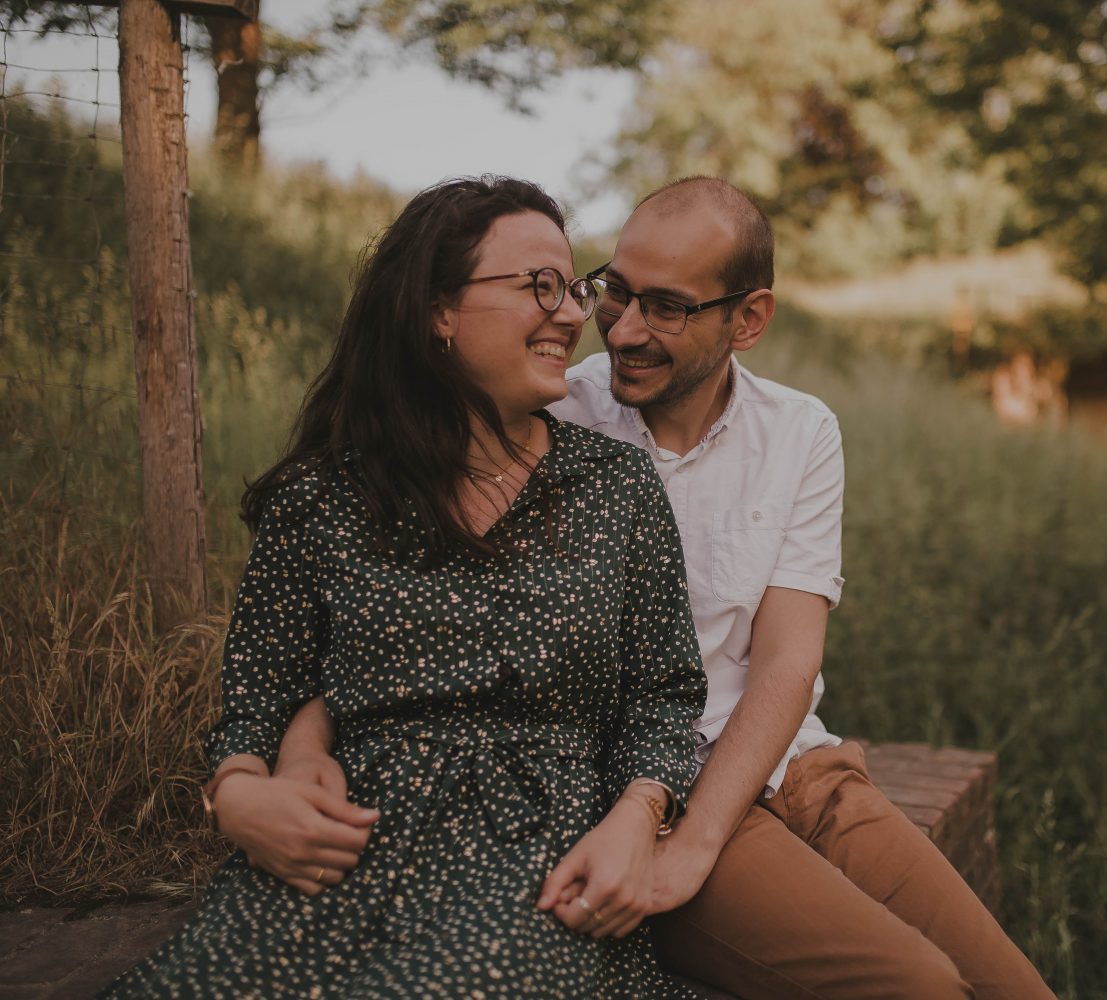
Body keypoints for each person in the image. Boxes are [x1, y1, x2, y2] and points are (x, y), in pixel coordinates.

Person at [276, 177, 1056, 999]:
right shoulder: (551, 417)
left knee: (1014, 988)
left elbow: (788, 662)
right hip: (648, 787)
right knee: (920, 985)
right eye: (616, 292)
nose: (625, 331)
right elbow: (426, 632)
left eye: (670, 307)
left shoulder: (798, 431)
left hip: (792, 765)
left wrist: (704, 841)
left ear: (748, 319)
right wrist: (683, 843)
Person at [104, 176, 707, 998]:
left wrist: (636, 820)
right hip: (339, 855)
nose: (573, 314)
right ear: (437, 311)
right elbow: (256, 697)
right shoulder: (322, 498)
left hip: (540, 861)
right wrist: (241, 796)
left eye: (574, 287)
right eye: (539, 285)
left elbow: (665, 696)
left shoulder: (615, 487)